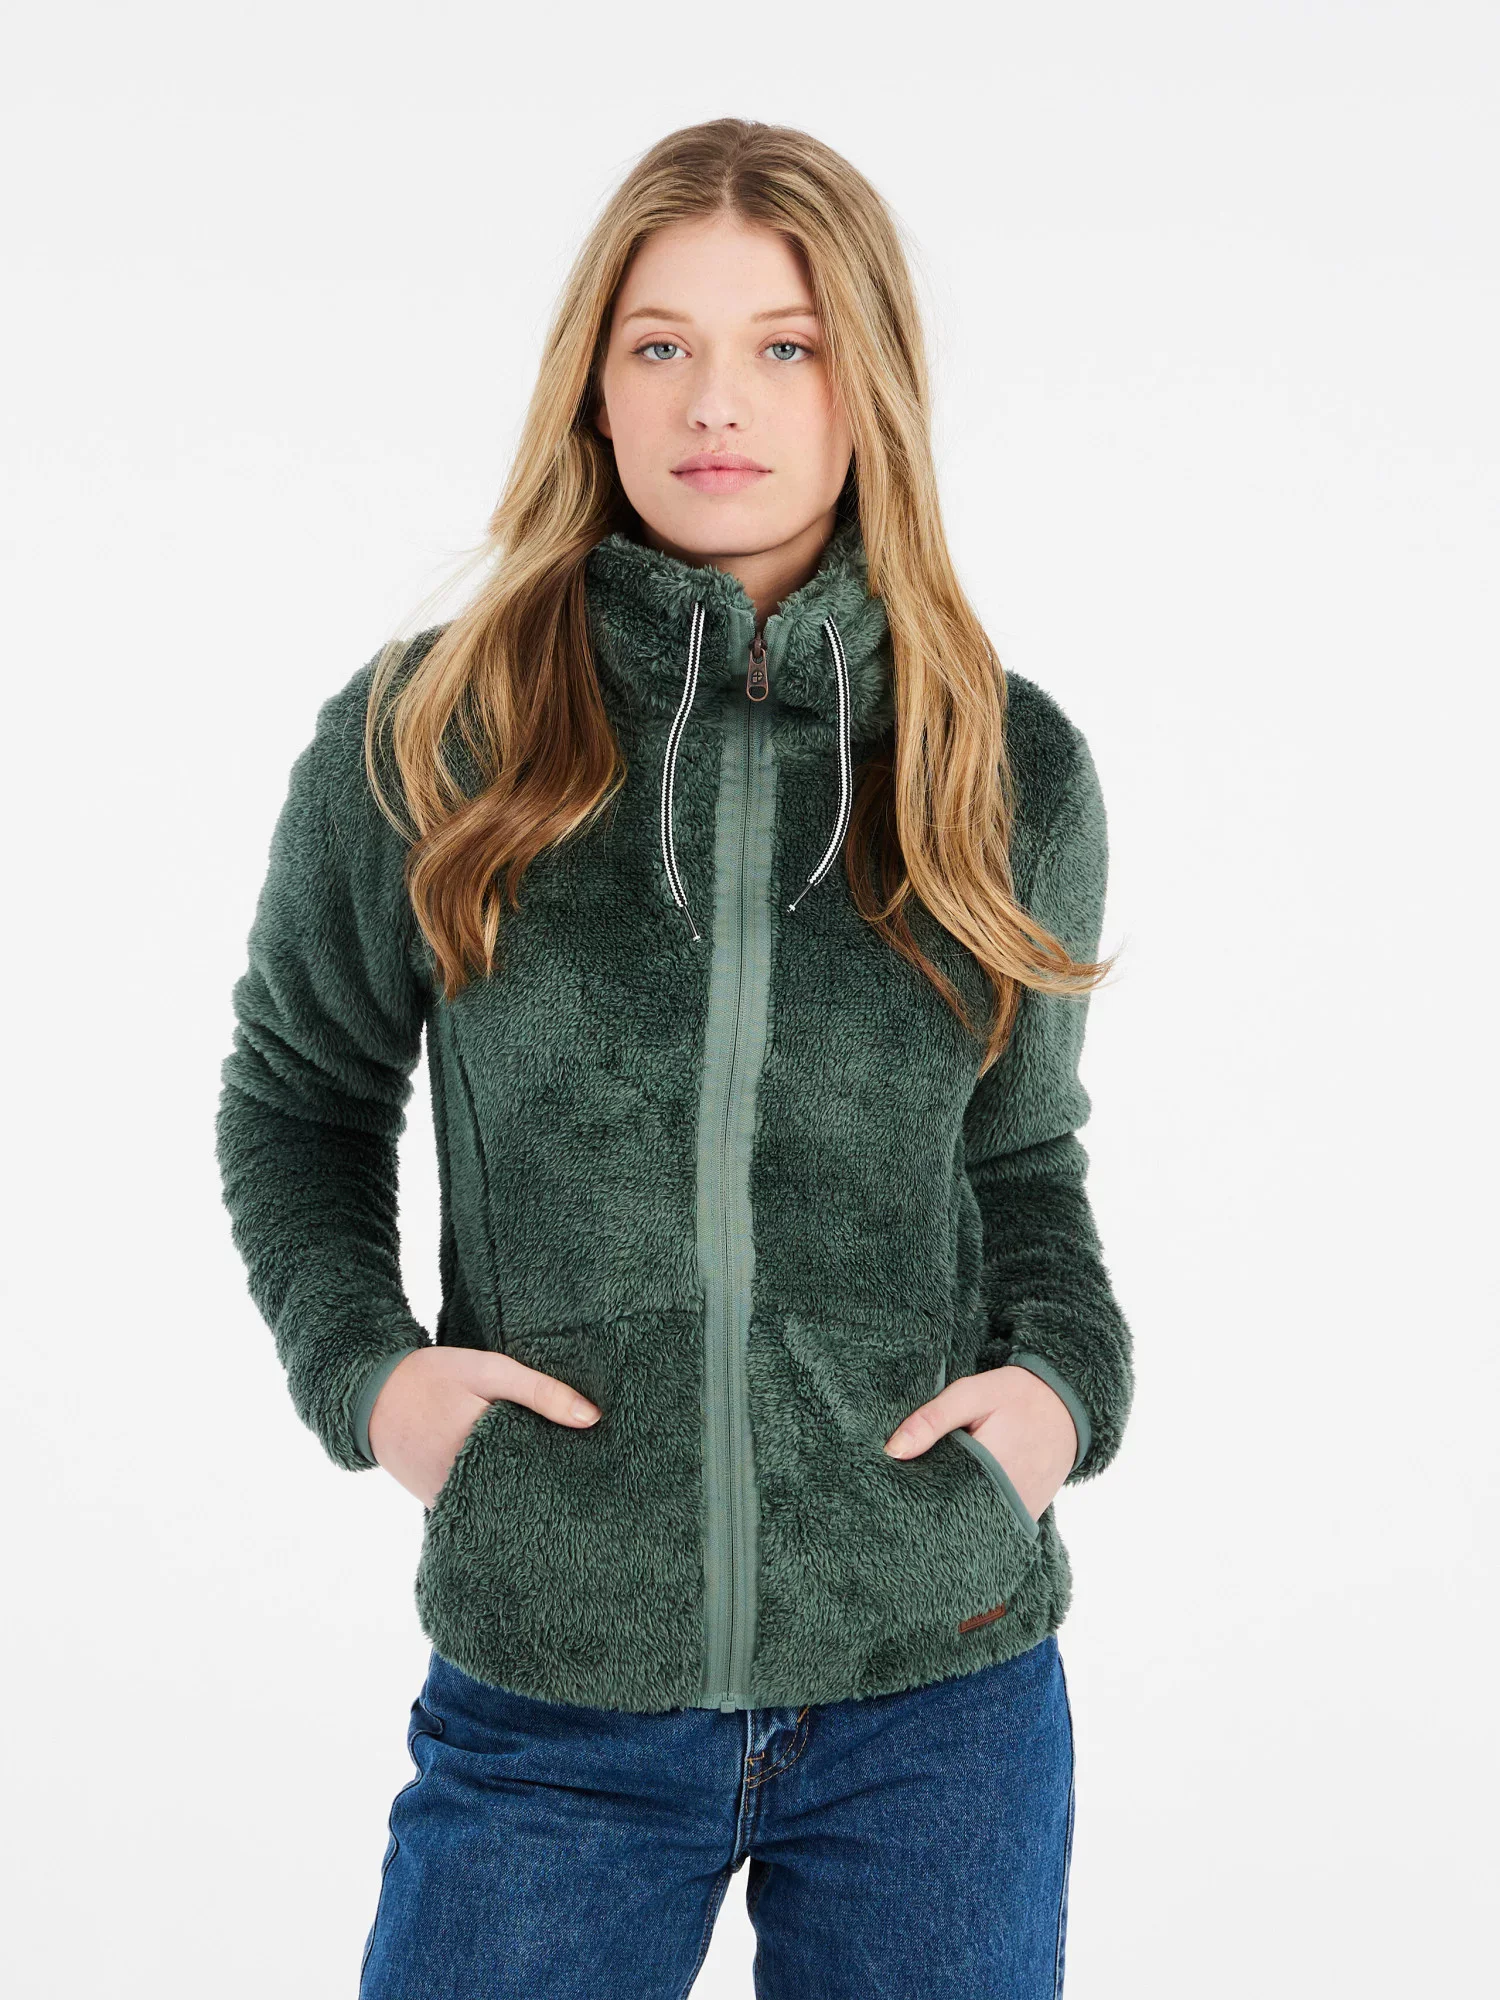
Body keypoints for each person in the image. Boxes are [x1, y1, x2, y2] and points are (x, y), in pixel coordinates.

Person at [216, 116, 1134, 1999]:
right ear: (596, 384)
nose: (719, 399)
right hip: (556, 1692)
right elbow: (298, 1100)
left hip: (938, 1691)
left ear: (869, 386)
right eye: (663, 344)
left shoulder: (999, 758)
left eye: (785, 344)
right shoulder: (432, 735)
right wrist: (371, 1380)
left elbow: (1025, 1157)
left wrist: (1063, 1395)